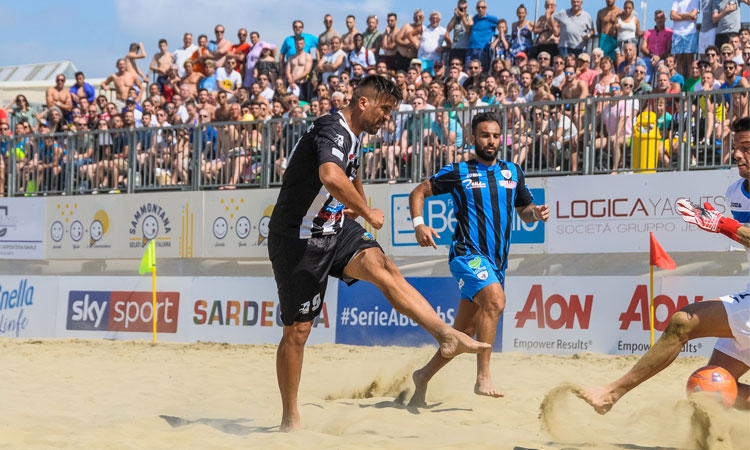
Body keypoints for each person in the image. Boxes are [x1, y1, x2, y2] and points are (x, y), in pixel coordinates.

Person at [268, 75, 490, 432]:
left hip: (334, 228)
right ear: (362, 103)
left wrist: (359, 203)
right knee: (298, 332)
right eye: (385, 109)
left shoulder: (356, 138)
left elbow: (349, 174)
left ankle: (445, 335)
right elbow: (329, 175)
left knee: (383, 265)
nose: (387, 118)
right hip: (299, 238)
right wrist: (368, 212)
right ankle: (289, 418)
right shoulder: (333, 130)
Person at [576, 116, 750, 414]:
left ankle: (611, 393)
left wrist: (722, 224)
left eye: (746, 147)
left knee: (683, 322)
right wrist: (727, 226)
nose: (737, 154)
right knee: (708, 388)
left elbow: (735, 229)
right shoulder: (736, 192)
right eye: (735, 147)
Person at [407, 112, 550, 407]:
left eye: (496, 136)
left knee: (462, 335)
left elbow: (524, 210)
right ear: (472, 139)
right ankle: (483, 377)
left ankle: (422, 376)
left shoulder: (513, 172)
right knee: (496, 301)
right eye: (485, 135)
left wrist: (534, 214)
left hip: (496, 262)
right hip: (466, 254)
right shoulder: (458, 171)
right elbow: (419, 191)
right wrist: (419, 224)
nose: (492, 141)